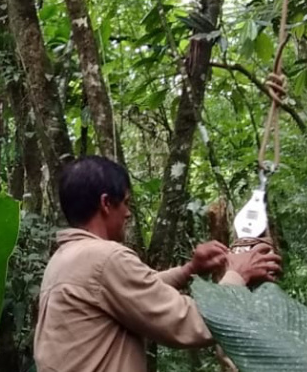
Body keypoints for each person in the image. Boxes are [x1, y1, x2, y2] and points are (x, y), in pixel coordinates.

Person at [34, 156, 282, 372]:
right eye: (126, 203)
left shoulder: (64, 259)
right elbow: (189, 323)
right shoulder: (105, 258)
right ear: (106, 203)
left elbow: (136, 289)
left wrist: (189, 269)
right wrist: (237, 274)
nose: (128, 214)